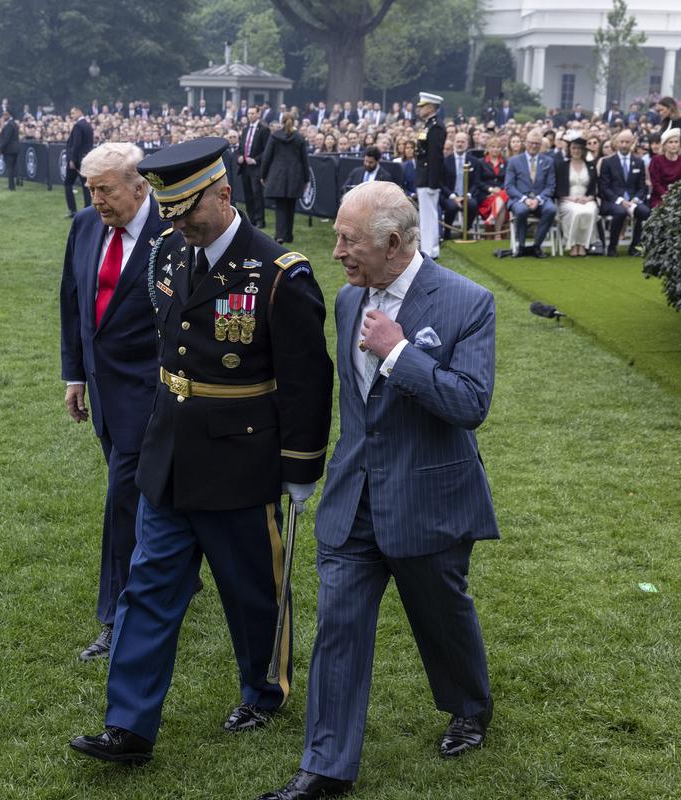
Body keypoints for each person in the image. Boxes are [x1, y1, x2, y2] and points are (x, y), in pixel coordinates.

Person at [70, 137, 333, 765]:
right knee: (148, 586)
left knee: (250, 590)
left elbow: (306, 379)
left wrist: (301, 468)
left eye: (189, 211)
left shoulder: (278, 274)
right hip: (169, 452)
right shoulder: (168, 253)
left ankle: (263, 689)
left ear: (224, 193)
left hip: (240, 462)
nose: (179, 224)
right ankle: (128, 726)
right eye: (170, 212)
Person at [257, 181, 499, 800]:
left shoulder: (467, 302)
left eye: (347, 239)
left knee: (440, 615)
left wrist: (398, 356)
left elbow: (471, 404)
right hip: (353, 504)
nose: (335, 250)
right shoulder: (345, 301)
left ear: (392, 244)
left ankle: (469, 705)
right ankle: (326, 767)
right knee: (338, 628)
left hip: (429, 502)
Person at [59, 143, 164, 662]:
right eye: (90, 188)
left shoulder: (169, 230)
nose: (96, 199)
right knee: (148, 498)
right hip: (102, 389)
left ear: (139, 185)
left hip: (151, 393)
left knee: (122, 503)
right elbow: (72, 303)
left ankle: (116, 615)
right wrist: (75, 374)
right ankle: (172, 575)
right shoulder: (83, 226)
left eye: (106, 189)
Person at [504, 129, 557, 258]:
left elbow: (551, 186)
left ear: (541, 145)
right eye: (531, 143)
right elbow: (509, 186)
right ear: (525, 143)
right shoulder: (514, 161)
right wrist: (524, 199)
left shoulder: (548, 161)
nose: (534, 146)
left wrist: (538, 199)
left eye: (537, 143)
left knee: (551, 210)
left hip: (541, 199)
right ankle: (520, 246)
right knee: (522, 211)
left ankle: (537, 246)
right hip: (519, 198)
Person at [597, 130, 649, 258]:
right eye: (622, 142)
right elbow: (604, 187)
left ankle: (635, 246)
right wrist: (620, 201)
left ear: (632, 143)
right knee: (620, 211)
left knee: (645, 212)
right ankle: (612, 247)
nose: (624, 145)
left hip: (632, 201)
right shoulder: (607, 162)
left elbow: (642, 187)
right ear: (616, 143)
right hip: (612, 201)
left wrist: (636, 199)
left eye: (627, 142)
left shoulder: (639, 162)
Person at [261, 113, 310, 245]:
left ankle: (280, 235)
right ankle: (288, 235)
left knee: (280, 206)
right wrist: (306, 179)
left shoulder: (274, 136)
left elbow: (266, 157)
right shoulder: (299, 138)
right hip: (295, 175)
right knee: (291, 206)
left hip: (278, 176)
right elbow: (304, 160)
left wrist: (263, 175)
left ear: (282, 121)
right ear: (294, 122)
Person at [555, 133, 599, 258]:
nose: (576, 151)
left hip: (586, 199)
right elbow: (557, 189)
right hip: (567, 199)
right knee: (576, 212)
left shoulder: (590, 166)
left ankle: (583, 245)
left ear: (583, 150)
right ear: (569, 149)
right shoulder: (562, 166)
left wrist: (589, 198)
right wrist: (571, 199)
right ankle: (572, 244)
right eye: (574, 148)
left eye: (579, 148)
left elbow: (595, 187)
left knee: (590, 211)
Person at [414, 92, 447, 259]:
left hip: (429, 178)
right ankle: (429, 248)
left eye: (422, 106)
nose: (419, 109)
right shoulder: (429, 125)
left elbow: (435, 157)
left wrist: (433, 183)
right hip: (424, 176)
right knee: (426, 215)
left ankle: (430, 249)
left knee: (429, 215)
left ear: (431, 107)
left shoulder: (436, 127)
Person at [440, 131, 481, 239]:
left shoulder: (474, 162)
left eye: (462, 142)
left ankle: (466, 231)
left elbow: (476, 182)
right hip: (450, 195)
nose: (460, 144)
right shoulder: (445, 161)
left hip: (467, 195)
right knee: (451, 206)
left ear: (467, 143)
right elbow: (441, 183)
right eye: (458, 141)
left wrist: (466, 195)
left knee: (472, 205)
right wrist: (453, 196)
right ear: (454, 143)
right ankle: (447, 233)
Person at [238, 106, 269, 227]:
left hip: (256, 167)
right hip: (245, 166)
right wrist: (239, 156)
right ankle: (251, 219)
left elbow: (266, 150)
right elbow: (241, 147)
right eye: (248, 113)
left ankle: (260, 219)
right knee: (248, 194)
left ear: (258, 114)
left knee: (257, 194)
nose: (250, 115)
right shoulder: (245, 129)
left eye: (252, 113)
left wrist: (255, 160)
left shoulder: (263, 129)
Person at [648, 127, 681, 209]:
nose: (674, 145)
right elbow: (656, 183)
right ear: (664, 145)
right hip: (660, 198)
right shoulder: (656, 160)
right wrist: (667, 196)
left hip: (680, 198)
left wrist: (677, 196)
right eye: (670, 142)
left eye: (676, 142)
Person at [64, 108, 94, 218]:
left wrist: (71, 159)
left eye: (72, 113)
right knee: (86, 186)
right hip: (85, 159)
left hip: (76, 161)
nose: (71, 115)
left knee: (68, 183)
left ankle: (72, 210)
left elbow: (75, 144)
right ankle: (88, 210)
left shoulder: (78, 126)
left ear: (79, 112)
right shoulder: (88, 125)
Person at [477, 135, 509, 240]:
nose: (495, 149)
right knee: (502, 201)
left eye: (498, 147)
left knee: (502, 197)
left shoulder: (506, 162)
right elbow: (478, 181)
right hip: (486, 195)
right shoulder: (481, 162)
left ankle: (496, 229)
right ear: (488, 148)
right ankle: (498, 234)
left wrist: (499, 190)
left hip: (502, 193)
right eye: (493, 147)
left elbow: (508, 180)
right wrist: (490, 189)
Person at [0, 111, 20, 191]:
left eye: (5, 114)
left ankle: (11, 187)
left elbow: (7, 139)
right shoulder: (14, 123)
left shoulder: (10, 125)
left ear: (9, 115)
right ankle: (11, 185)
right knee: (12, 168)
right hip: (15, 149)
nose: (3, 116)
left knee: (10, 168)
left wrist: (0, 149)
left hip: (10, 149)